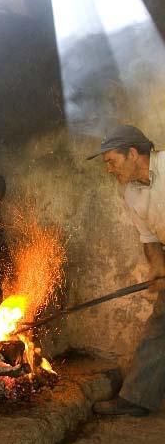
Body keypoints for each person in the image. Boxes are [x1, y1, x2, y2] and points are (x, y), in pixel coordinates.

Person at [87, 124, 165, 416]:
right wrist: (158, 266)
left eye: (111, 161)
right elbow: (151, 238)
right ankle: (137, 398)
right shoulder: (132, 194)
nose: (109, 170)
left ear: (132, 154)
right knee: (160, 329)